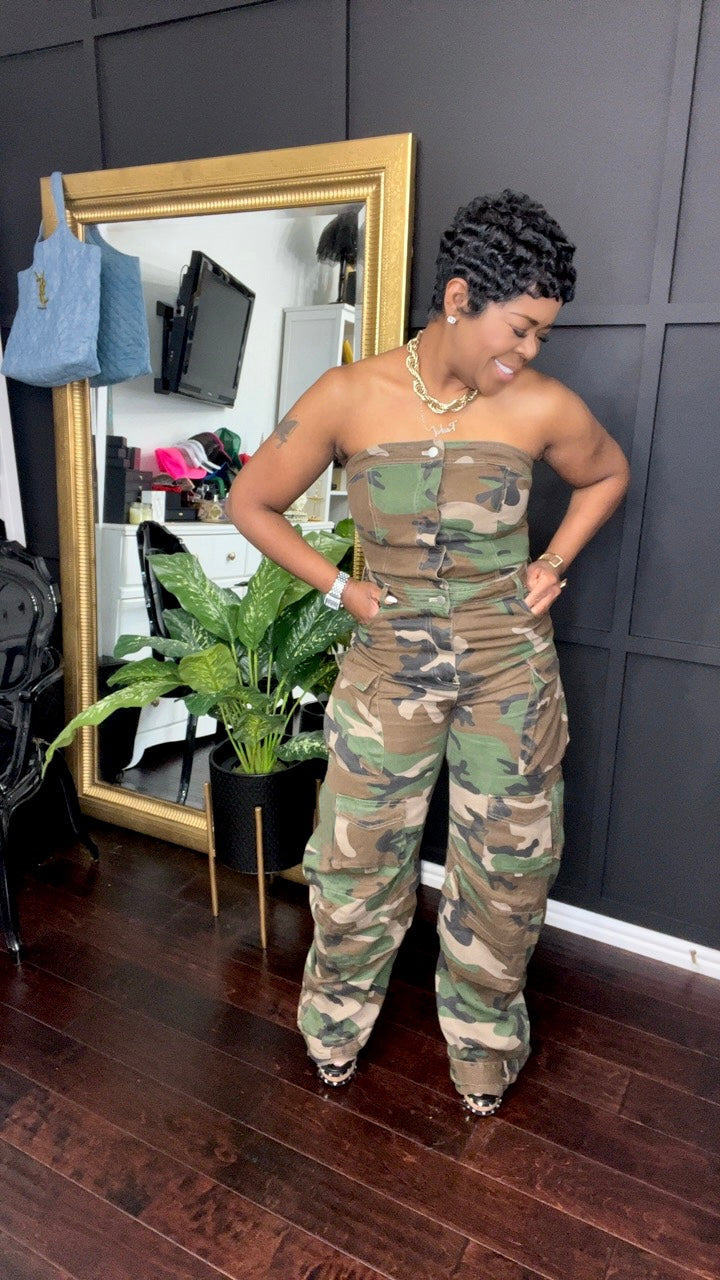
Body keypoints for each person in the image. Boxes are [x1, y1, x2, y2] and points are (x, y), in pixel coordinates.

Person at [226, 190, 629, 1117]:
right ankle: (334, 1026)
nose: (530, 350)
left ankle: (484, 1047)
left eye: (543, 335)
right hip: (387, 670)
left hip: (509, 670)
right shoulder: (349, 394)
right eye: (520, 329)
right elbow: (251, 500)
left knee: (509, 869)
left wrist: (553, 561)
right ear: (457, 298)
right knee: (356, 861)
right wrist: (341, 589)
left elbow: (607, 473)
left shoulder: (543, 405)